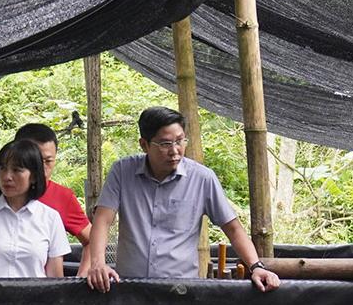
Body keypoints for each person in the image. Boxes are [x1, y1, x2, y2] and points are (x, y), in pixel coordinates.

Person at [84, 106, 281, 292]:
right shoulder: (122, 171)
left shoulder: (203, 178)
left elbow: (233, 228)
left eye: (180, 141)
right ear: (144, 144)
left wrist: (256, 266)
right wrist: (98, 264)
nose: (175, 150)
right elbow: (103, 219)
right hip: (130, 290)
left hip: (181, 291)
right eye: (165, 144)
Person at [0, 123, 91, 247]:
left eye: (48, 161)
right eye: (33, 160)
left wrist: (84, 274)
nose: (41, 167)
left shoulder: (62, 197)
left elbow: (92, 240)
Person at [0, 139, 71, 278]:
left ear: (34, 176)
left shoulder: (50, 218)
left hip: (36, 299)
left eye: (17, 170)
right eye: (3, 168)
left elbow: (55, 278)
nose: (7, 177)